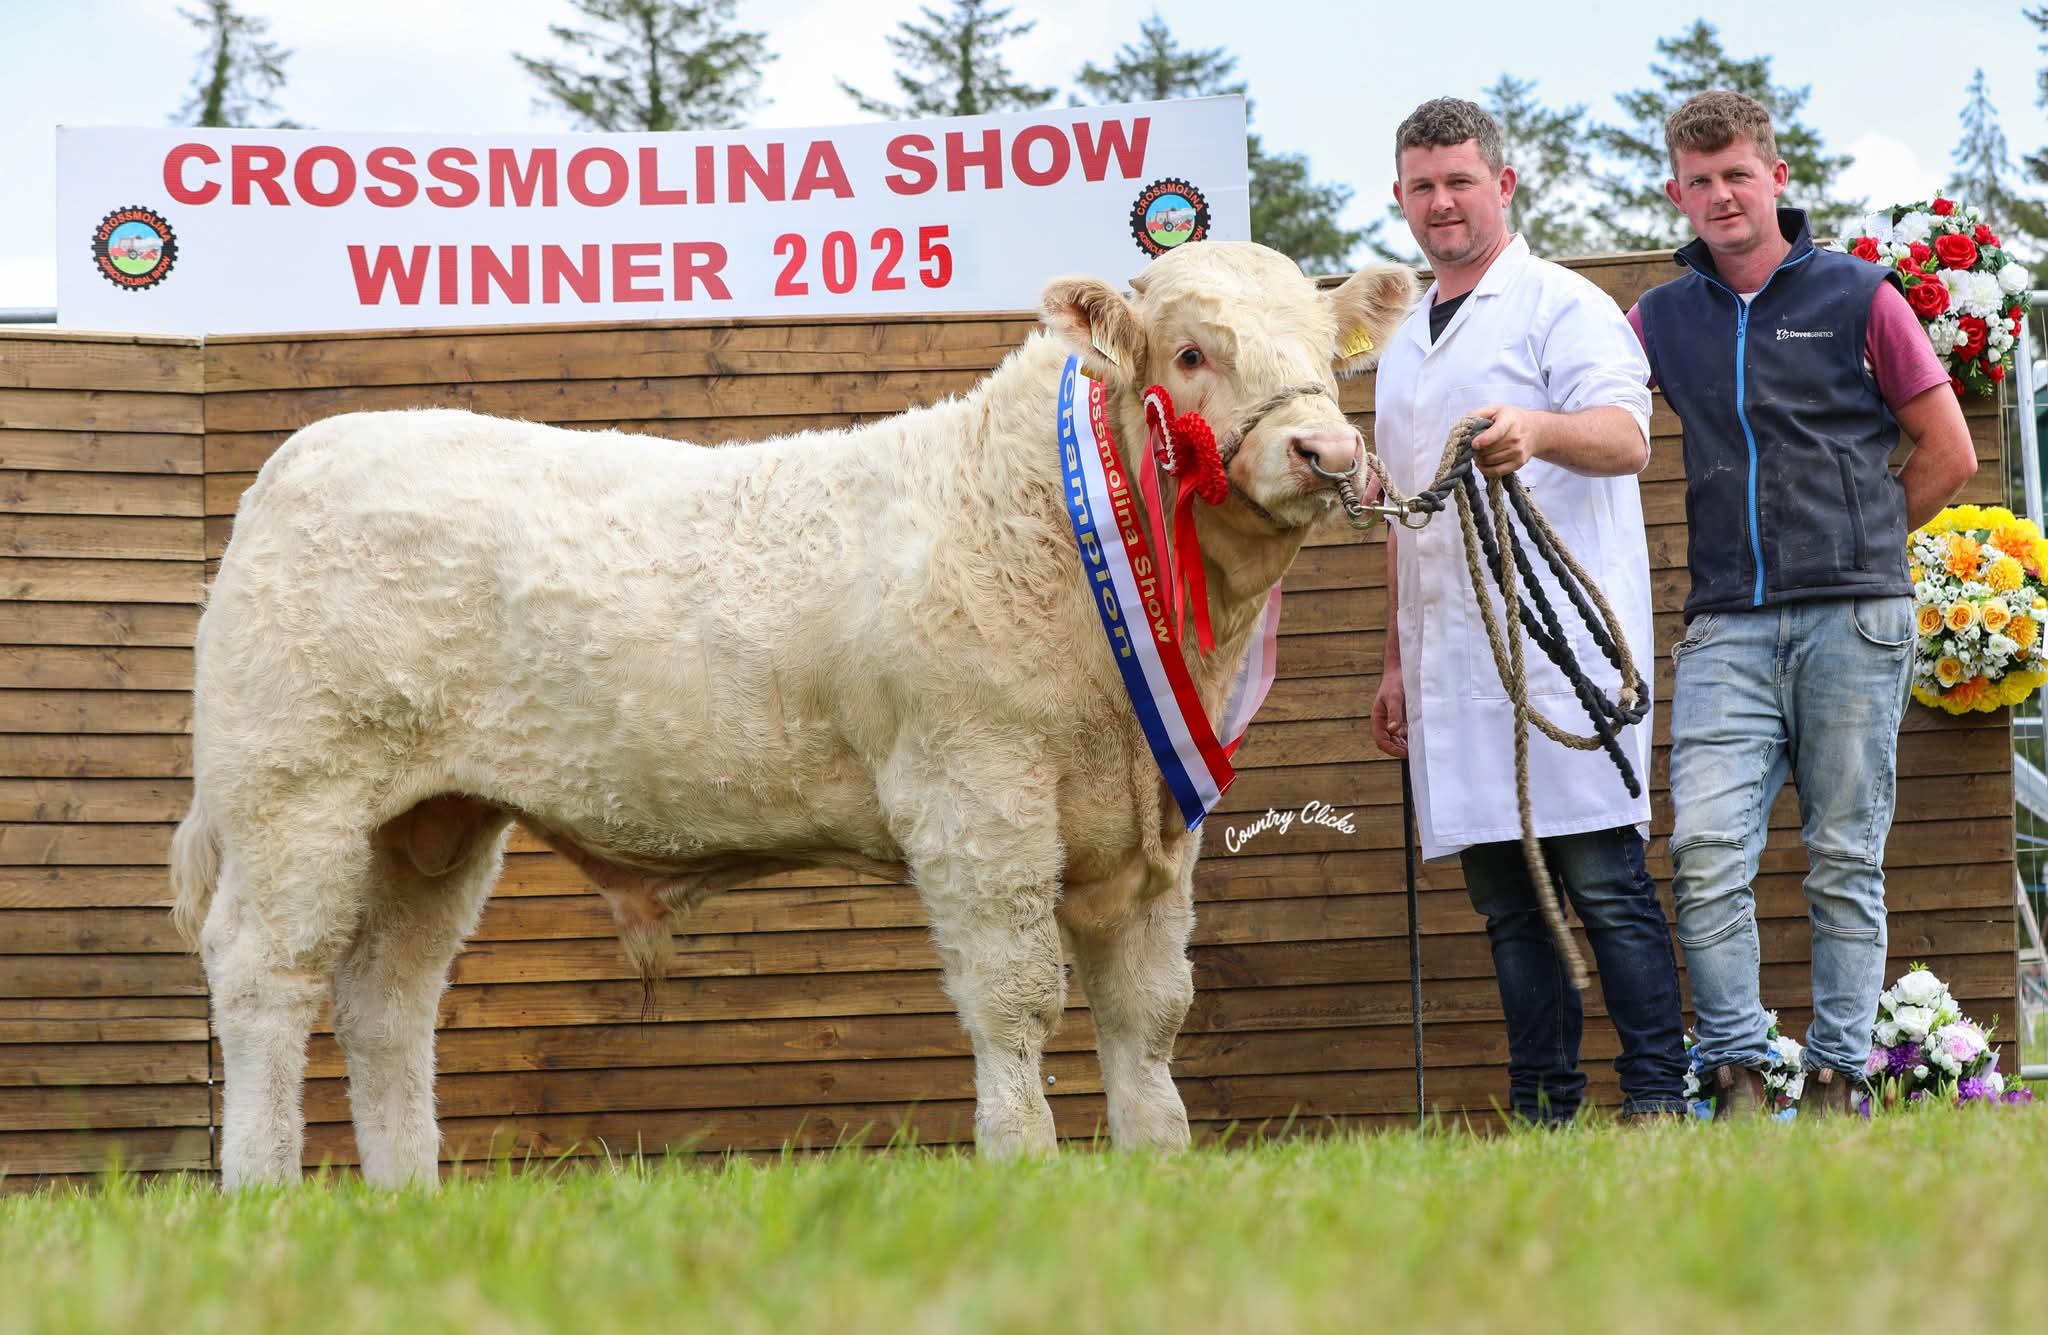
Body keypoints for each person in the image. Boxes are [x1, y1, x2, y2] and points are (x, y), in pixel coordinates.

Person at [1628, 90, 1977, 1118]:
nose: (1720, 195)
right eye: (1699, 181)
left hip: (1854, 621)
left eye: (1737, 174)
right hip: (1725, 623)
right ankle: (1736, 1073)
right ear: (1676, 195)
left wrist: (1862, 538)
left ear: (1775, 178)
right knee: (1702, 852)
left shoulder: (1859, 295)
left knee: (1842, 860)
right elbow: (1594, 412)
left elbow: (1948, 452)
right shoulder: (1656, 319)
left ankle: (1834, 1079)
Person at [1371, 97, 1688, 1125]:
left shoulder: (1563, 304)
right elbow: (1405, 511)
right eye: (1422, 186)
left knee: (1604, 885)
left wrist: (1535, 430)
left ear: (1502, 185)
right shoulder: (1400, 342)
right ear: (1398, 197)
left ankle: (1656, 1096)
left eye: (1459, 181)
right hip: (1450, 664)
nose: (1441, 203)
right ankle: (1543, 1108)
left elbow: (1625, 435)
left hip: (1558, 656)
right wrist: (1392, 662)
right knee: (1509, 906)